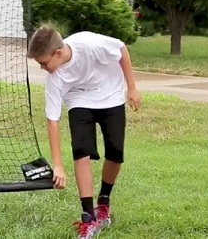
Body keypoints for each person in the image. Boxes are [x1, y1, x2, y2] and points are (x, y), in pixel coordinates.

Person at [27, 24, 142, 239]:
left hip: (110, 93)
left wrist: (132, 87)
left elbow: (121, 49)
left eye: (43, 63)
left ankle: (103, 203)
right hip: (79, 99)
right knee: (81, 150)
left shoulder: (89, 44)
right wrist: (58, 166)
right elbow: (52, 120)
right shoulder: (55, 77)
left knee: (116, 153)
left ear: (58, 53)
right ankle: (88, 217)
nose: (42, 68)